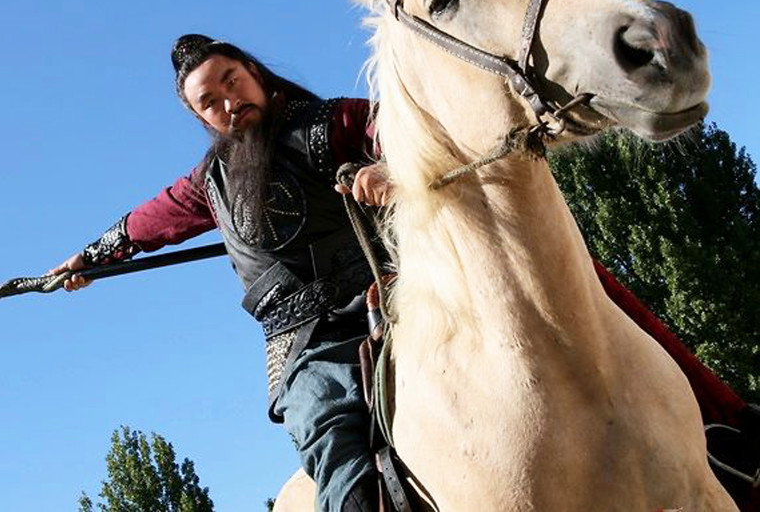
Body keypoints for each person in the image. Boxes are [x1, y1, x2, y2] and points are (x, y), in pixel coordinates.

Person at [52, 34, 758, 512]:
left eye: (230, 81)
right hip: (307, 341)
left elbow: (416, 140)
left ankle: (731, 435)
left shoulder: (336, 121)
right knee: (330, 438)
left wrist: (392, 172)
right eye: (208, 100)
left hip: (400, 292)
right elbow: (141, 226)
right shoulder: (204, 186)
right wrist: (86, 261)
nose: (227, 101)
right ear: (200, 116)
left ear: (254, 74)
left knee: (577, 294)